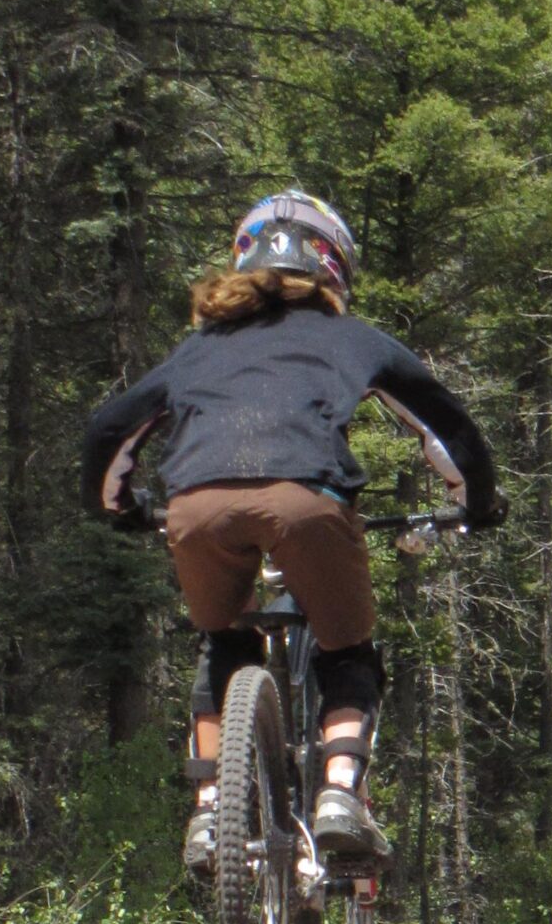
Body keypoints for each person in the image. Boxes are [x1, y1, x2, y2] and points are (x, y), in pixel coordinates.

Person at [82, 190, 502, 874]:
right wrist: (476, 501)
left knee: (223, 644)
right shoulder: (351, 339)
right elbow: (443, 427)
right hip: (306, 500)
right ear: (333, 267)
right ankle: (339, 794)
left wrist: (121, 508)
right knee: (348, 653)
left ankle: (211, 809)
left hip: (196, 507)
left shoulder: (197, 349)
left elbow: (108, 429)